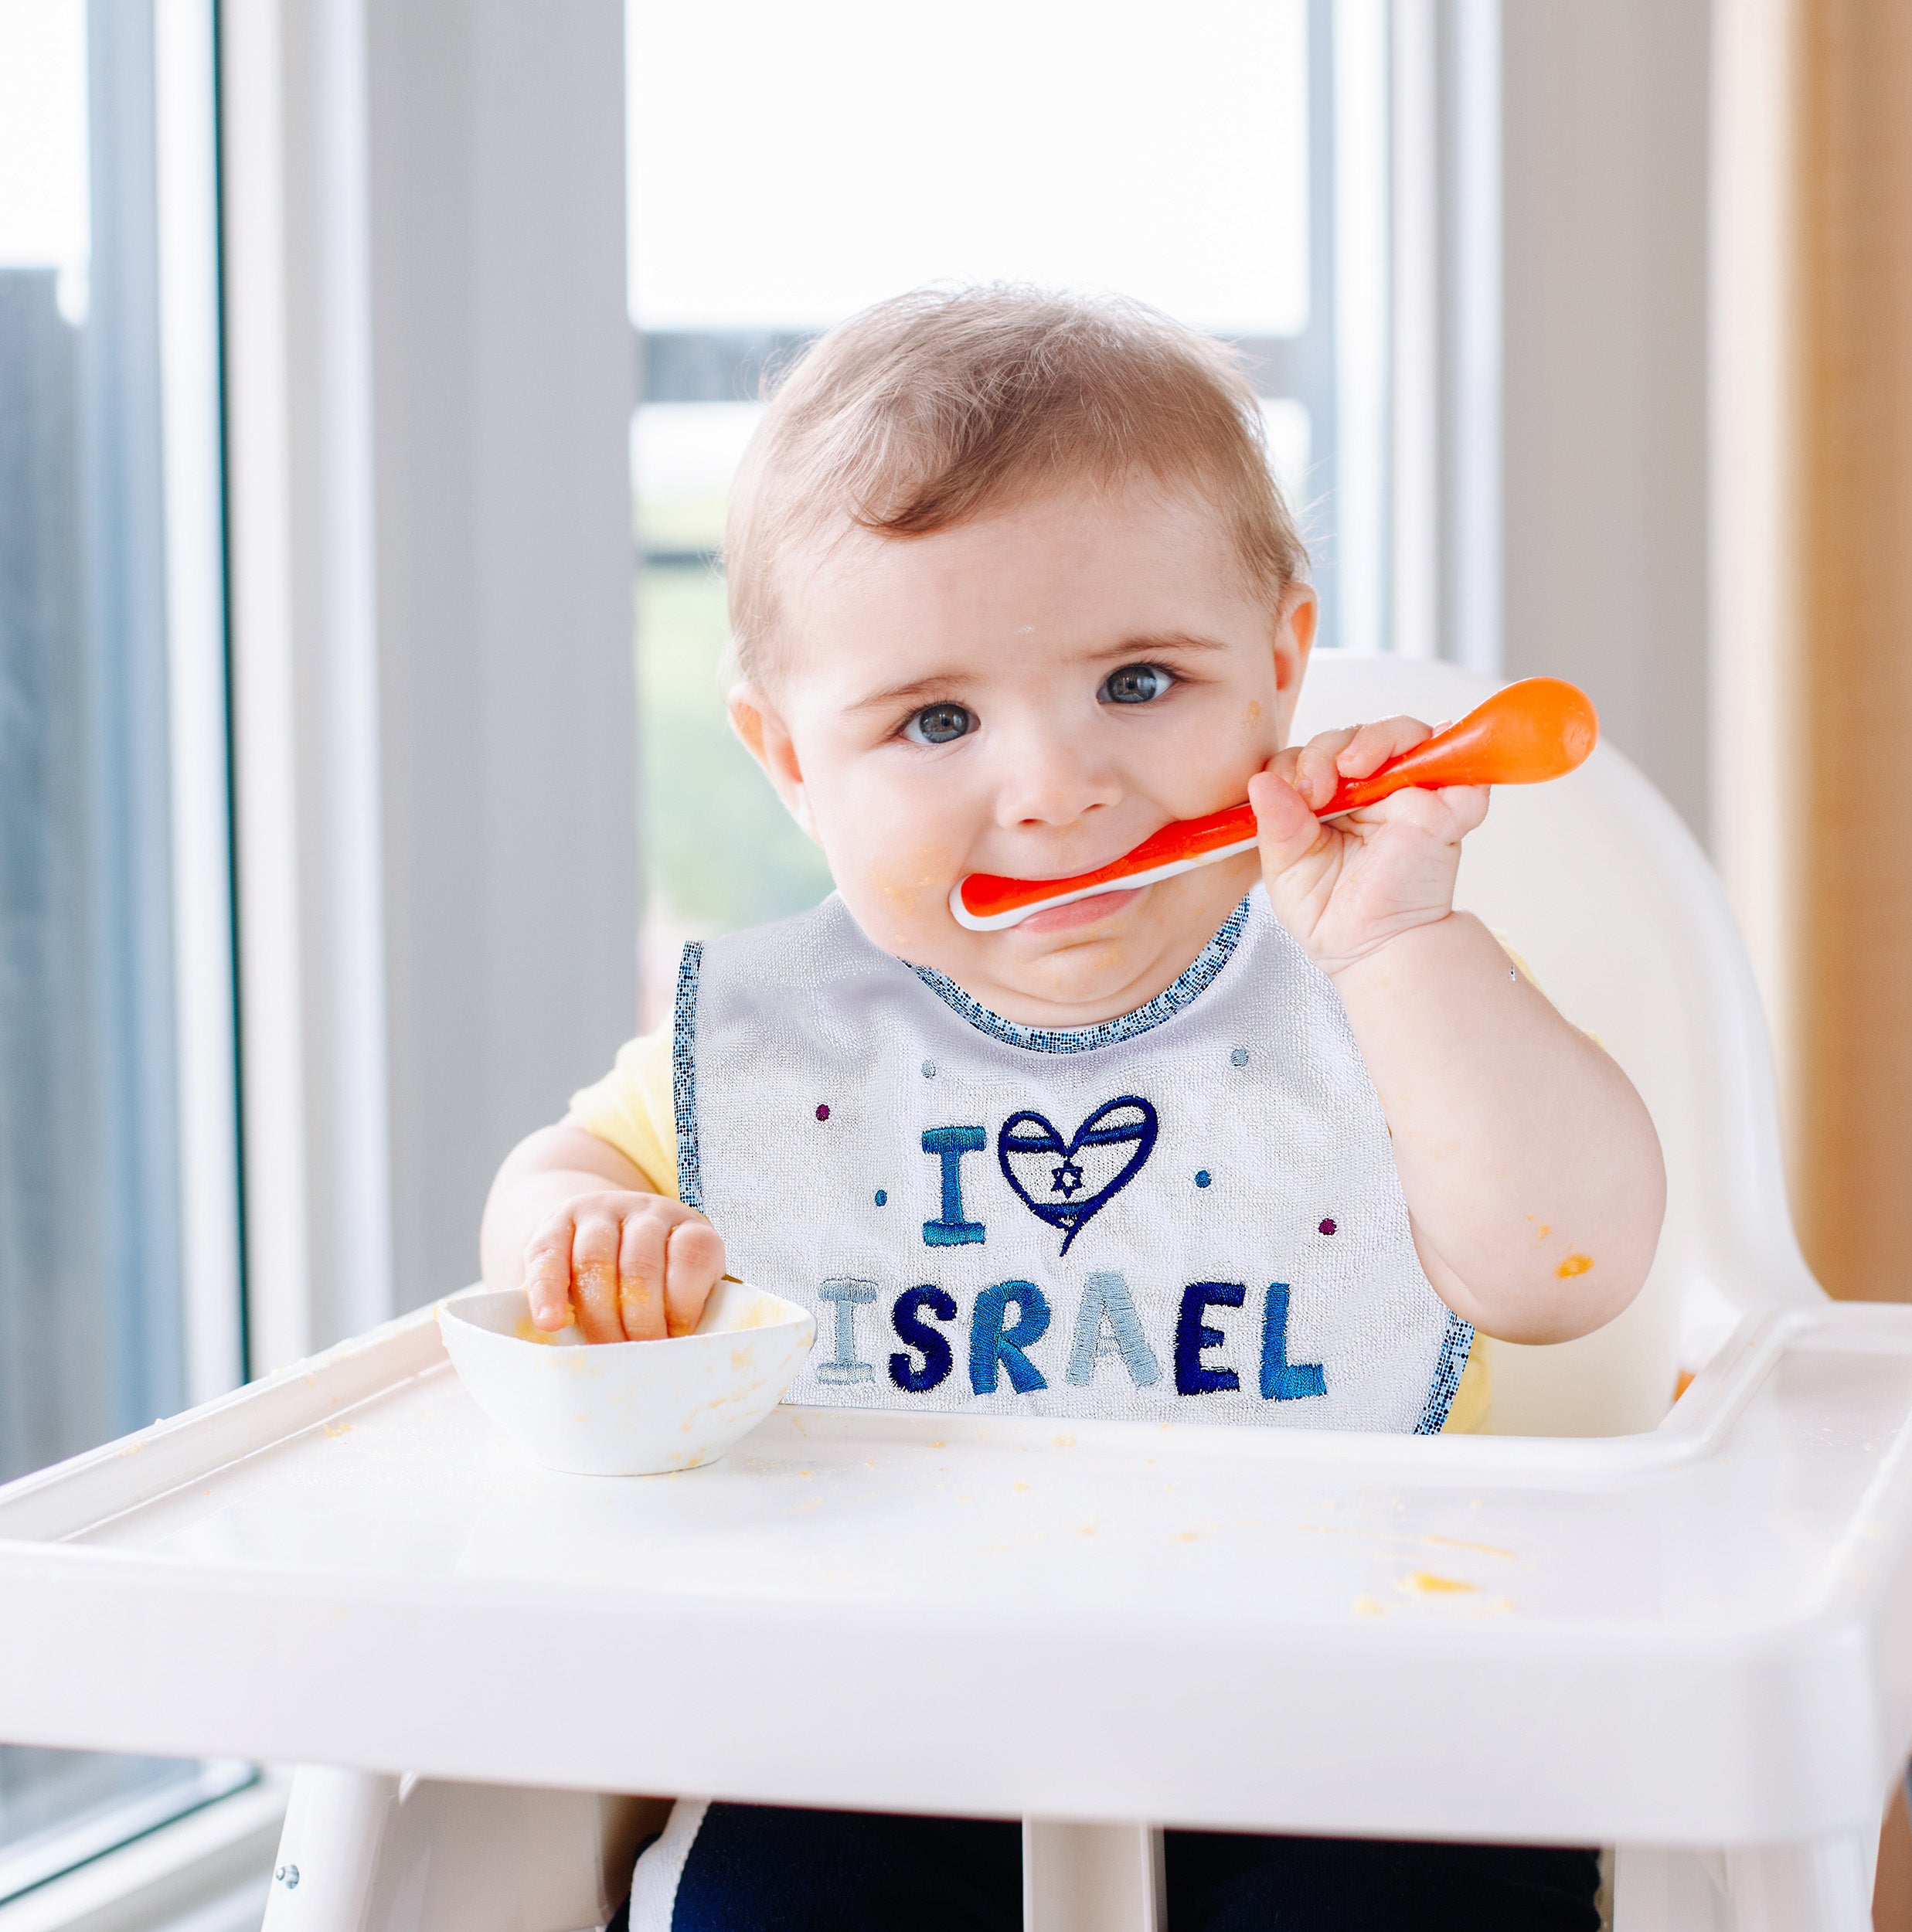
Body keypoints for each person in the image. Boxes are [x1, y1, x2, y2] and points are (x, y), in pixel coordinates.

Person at [479, 286, 1662, 1932]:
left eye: (1137, 682)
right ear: (785, 760)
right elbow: (564, 1170)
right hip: (874, 1744)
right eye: (935, 720)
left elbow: (1569, 1267)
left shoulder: (1365, 979)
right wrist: (580, 1235)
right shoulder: (786, 1044)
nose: (1052, 783)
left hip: (1353, 1736)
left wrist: (1400, 940)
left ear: (1275, 669)